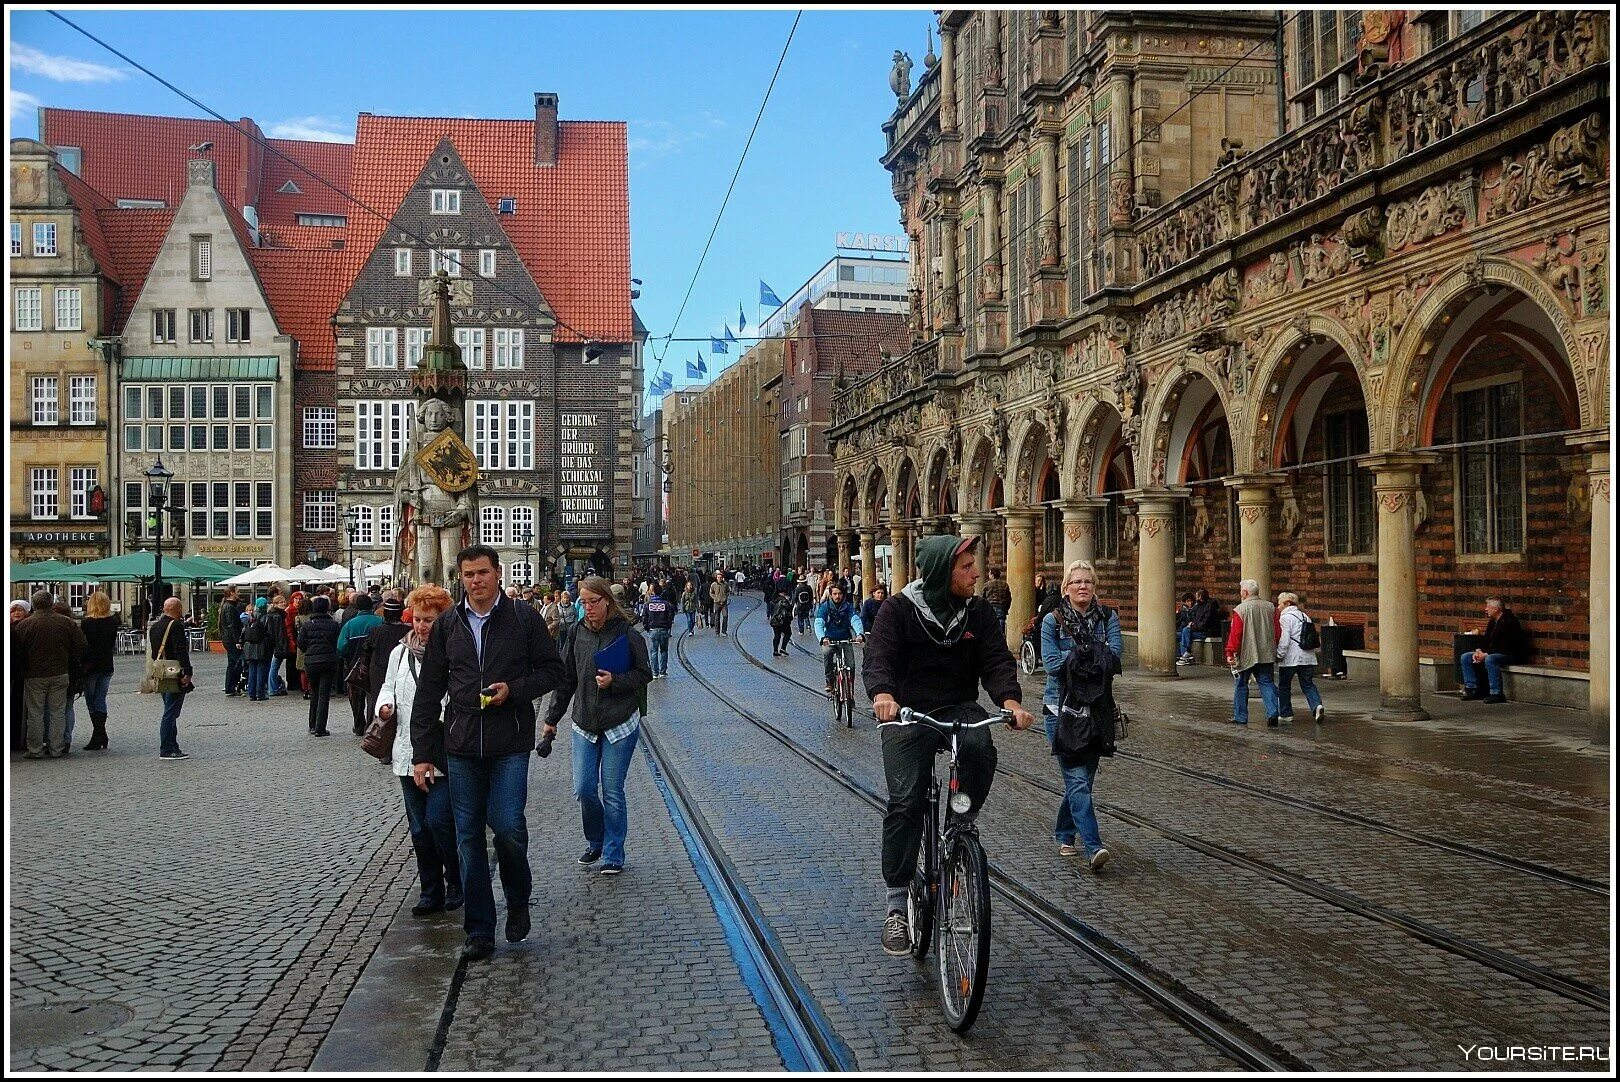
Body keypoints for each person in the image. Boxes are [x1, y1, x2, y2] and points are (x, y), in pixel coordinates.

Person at [862, 534, 1035, 956]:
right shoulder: (898, 610)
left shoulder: (978, 612)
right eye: (966, 567)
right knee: (906, 799)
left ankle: (964, 819)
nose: (976, 573)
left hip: (958, 704)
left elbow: (995, 661)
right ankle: (897, 907)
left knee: (980, 747)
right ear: (943, 572)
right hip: (907, 710)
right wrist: (883, 694)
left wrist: (1010, 701)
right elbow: (878, 657)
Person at [411, 545, 566, 963]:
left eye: (482, 573)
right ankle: (479, 928)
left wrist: (512, 690)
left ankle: (517, 898)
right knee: (467, 837)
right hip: (461, 745)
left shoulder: (522, 617)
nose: (475, 581)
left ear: (497, 574)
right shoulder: (448, 623)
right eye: (467, 575)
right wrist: (422, 753)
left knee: (509, 826)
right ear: (460, 579)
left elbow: (553, 671)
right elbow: (428, 693)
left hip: (509, 741)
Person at [543, 576, 653, 877]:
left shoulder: (627, 635)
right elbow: (566, 681)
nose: (588, 607)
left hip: (620, 722)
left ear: (607, 601)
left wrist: (615, 682)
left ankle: (613, 852)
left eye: (593, 601)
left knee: (613, 791)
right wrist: (551, 720)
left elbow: (645, 674)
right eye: (583, 602)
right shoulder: (577, 633)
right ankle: (596, 839)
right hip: (585, 723)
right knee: (583, 788)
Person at [375, 584, 463, 918]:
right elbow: (387, 687)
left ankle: (456, 878)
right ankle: (430, 889)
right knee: (418, 827)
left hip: (442, 749)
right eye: (418, 619)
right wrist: (385, 706)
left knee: (439, 820)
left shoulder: (455, 651)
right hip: (406, 751)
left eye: (429, 620)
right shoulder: (400, 653)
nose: (421, 626)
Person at [1040, 561, 1123, 872]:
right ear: (1066, 587)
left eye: (1088, 581)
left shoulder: (1107, 618)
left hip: (1098, 709)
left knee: (1082, 781)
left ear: (1095, 586)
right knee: (1076, 778)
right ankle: (1094, 846)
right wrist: (1092, 654)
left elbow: (1115, 658)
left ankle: (1064, 833)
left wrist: (1077, 657)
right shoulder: (1052, 621)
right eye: (1076, 582)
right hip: (1061, 710)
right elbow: (1050, 664)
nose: (1082, 586)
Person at [17, 590, 87, 759]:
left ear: (34, 605)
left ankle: (35, 749)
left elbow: (17, 650)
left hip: (35, 674)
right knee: (58, 712)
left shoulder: (25, 625)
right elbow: (81, 645)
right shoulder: (66, 622)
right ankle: (56, 748)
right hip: (60, 672)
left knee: (35, 713)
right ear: (50, 603)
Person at [1225, 579, 1281, 727]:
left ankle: (1240, 716)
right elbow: (1277, 631)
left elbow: (1235, 634)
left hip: (1246, 652)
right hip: (1266, 651)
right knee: (1267, 682)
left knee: (1241, 684)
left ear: (1245, 592)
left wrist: (1230, 652)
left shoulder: (1240, 609)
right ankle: (1273, 711)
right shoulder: (1271, 608)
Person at [1457, 596, 1529, 704]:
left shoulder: (1509, 622)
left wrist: (1486, 654)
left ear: (1496, 609)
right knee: (1466, 657)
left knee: (1490, 659)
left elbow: (1506, 647)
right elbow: (1486, 640)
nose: (1485, 609)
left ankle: (1496, 693)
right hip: (1494, 652)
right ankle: (1472, 688)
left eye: (1488, 606)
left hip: (1511, 654)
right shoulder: (1493, 621)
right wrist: (1479, 651)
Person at [148, 596, 194, 760]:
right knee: (170, 712)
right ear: (178, 610)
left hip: (161, 672)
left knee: (169, 709)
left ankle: (173, 746)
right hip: (174, 673)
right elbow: (180, 650)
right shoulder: (176, 626)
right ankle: (167, 748)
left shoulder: (155, 627)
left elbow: (154, 652)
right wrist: (187, 672)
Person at [79, 590, 120, 752]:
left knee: (91, 701)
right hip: (107, 664)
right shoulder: (113, 621)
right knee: (101, 699)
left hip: (91, 666)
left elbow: (85, 646)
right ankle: (101, 735)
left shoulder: (87, 623)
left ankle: (98, 735)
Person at [1275, 592, 1325, 723]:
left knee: (1284, 686)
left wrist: (1279, 655)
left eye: (1279, 603)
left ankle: (1286, 713)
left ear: (1287, 603)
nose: (1278, 607)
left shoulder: (1285, 618)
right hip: (1307, 657)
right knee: (1308, 684)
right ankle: (1317, 705)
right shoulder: (1305, 617)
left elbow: (1284, 640)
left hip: (1290, 658)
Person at [298, 596, 342, 736]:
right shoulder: (334, 624)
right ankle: (320, 727)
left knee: (314, 692)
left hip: (311, 661)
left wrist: (309, 651)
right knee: (324, 694)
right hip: (328, 660)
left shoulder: (307, 625)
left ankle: (312, 725)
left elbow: (301, 642)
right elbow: (338, 642)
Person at [337, 593, 380, 734]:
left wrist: (348, 656)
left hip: (354, 665)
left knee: (356, 697)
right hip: (375, 665)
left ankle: (358, 724)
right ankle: (371, 723)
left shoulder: (350, 624)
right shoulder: (380, 621)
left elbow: (341, 647)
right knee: (373, 696)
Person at [814, 583, 865, 698]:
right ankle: (830, 680)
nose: (838, 596)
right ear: (831, 595)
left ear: (843, 595)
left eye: (840, 594)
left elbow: (855, 619)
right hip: (829, 639)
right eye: (835, 594)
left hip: (845, 639)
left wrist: (859, 634)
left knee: (851, 666)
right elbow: (819, 623)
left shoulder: (848, 607)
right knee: (827, 653)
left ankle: (850, 691)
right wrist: (822, 637)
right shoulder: (825, 607)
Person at [365, 596, 413, 717]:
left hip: (379, 672)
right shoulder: (408, 631)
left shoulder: (377, 631)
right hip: (403, 671)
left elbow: (366, 650)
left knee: (378, 702)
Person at [242, 597, 279, 701]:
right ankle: (260, 693)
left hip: (250, 647)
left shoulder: (250, 616)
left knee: (252, 670)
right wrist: (273, 645)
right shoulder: (267, 617)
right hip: (262, 647)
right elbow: (271, 634)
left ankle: (252, 693)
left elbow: (244, 631)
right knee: (261, 670)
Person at [11, 599, 33, 752]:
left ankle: (19, 739)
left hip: (22, 674)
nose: (16, 613)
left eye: (19, 610)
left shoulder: (27, 627)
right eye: (13, 611)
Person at [642, 583, 674, 678]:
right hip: (663, 630)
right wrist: (667, 627)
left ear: (653, 592)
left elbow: (644, 617)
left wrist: (647, 628)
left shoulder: (648, 604)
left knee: (653, 652)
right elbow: (670, 617)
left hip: (653, 630)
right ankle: (663, 672)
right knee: (664, 651)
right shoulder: (666, 604)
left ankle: (655, 672)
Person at [219, 587, 244, 696]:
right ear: (231, 593)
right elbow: (232, 625)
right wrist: (237, 640)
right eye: (237, 592)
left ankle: (230, 687)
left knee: (232, 663)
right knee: (237, 663)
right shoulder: (230, 607)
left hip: (228, 639)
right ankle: (231, 686)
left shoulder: (228, 606)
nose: (239, 593)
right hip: (231, 640)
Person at [768, 586, 794, 657]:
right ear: (782, 593)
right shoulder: (784, 601)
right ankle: (783, 648)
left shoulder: (773, 600)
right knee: (788, 633)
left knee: (777, 635)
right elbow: (788, 608)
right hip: (782, 621)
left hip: (774, 620)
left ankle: (775, 650)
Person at [709, 571, 731, 635]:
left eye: (721, 577)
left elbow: (728, 591)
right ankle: (717, 631)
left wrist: (725, 597)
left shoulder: (725, 584)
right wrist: (715, 598)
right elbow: (711, 593)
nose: (719, 579)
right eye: (718, 577)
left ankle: (724, 631)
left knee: (725, 616)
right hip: (716, 603)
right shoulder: (713, 584)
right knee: (717, 618)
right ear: (716, 578)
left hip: (724, 603)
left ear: (722, 578)